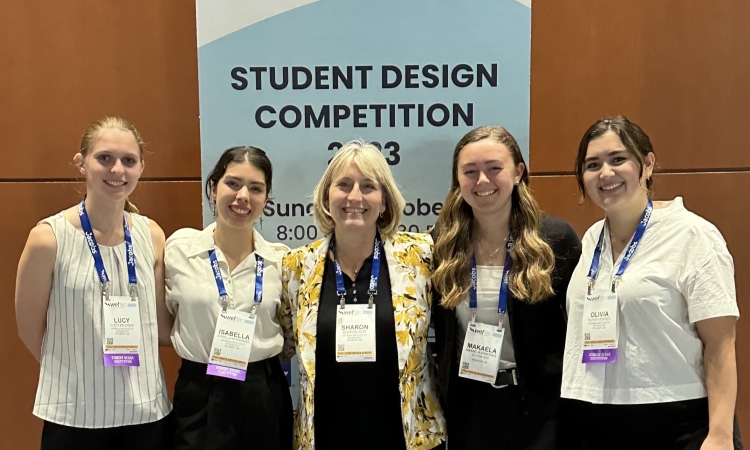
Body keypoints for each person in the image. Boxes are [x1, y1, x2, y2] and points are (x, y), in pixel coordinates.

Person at [560, 115, 742, 449]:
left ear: (647, 164)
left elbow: (720, 344)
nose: (605, 173)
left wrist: (719, 434)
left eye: (618, 159)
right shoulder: (590, 240)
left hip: (674, 420)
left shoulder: (692, 235)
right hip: (593, 417)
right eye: (592, 164)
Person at [15, 117, 172, 449]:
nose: (117, 170)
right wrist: (78, 373)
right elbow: (29, 328)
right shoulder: (48, 238)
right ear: (81, 163)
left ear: (141, 167)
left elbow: (159, 327)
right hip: (74, 416)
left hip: (146, 414)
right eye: (105, 158)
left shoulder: (152, 235)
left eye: (128, 161)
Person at [281, 140, 446, 450]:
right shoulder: (297, 266)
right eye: (343, 185)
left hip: (406, 437)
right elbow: (281, 345)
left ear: (384, 202)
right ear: (327, 197)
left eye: (368, 186)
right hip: (326, 436)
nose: (354, 196)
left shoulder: (420, 257)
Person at [430, 126, 581, 450]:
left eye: (494, 168)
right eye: (470, 172)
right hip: (468, 409)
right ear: (458, 182)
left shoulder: (554, 239)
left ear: (518, 172)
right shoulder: (443, 243)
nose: (482, 181)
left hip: (539, 410)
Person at [163, 146, 293, 450]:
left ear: (266, 198)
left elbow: (291, 331)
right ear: (213, 187)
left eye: (256, 188)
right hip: (199, 391)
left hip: (261, 390)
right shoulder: (179, 251)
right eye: (233, 183)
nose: (243, 196)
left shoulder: (281, 262)